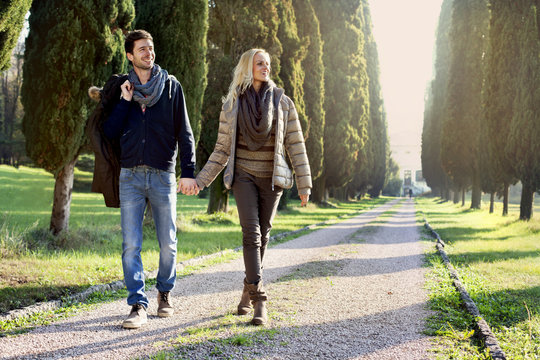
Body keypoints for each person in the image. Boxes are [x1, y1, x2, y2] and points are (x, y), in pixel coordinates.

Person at [195, 49, 312, 325]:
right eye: (260, 63)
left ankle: (247, 291)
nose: (265, 67)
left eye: (268, 64)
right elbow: (222, 150)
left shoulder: (283, 103)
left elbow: (295, 145)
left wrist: (304, 184)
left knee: (264, 235)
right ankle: (260, 299)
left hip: (272, 179)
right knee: (252, 234)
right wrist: (201, 180)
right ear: (248, 67)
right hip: (243, 176)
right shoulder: (232, 105)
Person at [103, 30, 199, 329]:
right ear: (130, 55)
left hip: (162, 175)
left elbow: (184, 132)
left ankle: (165, 294)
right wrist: (124, 101)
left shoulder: (171, 87)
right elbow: (109, 132)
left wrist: (189, 171)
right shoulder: (123, 87)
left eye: (151, 48)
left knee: (168, 242)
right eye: (142, 49)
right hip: (130, 175)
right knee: (131, 244)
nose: (149, 53)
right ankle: (136, 304)